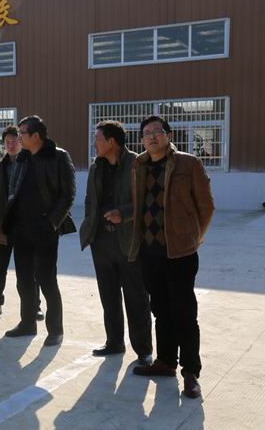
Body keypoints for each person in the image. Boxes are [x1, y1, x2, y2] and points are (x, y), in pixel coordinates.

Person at [130, 116, 214, 399]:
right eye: (147, 133)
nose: (152, 136)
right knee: (161, 310)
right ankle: (166, 362)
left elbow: (206, 206)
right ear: (142, 139)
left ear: (168, 135)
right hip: (149, 252)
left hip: (180, 253)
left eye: (157, 131)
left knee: (184, 313)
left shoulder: (188, 164)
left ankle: (191, 372)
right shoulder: (139, 165)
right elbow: (138, 205)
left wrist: (192, 237)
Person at [80, 120, 152, 364]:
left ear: (112, 141)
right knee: (108, 295)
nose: (94, 143)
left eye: (98, 139)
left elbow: (145, 200)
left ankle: (143, 350)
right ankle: (114, 342)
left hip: (129, 239)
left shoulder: (137, 164)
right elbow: (90, 200)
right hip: (101, 240)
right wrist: (90, 225)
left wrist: (124, 214)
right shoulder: (95, 167)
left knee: (136, 296)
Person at [2, 115, 76, 347]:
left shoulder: (59, 156)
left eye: (22, 133)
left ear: (36, 135)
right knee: (24, 280)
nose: (18, 138)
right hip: (21, 229)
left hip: (45, 229)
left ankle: (55, 330)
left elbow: (68, 195)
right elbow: (14, 190)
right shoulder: (22, 157)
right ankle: (27, 323)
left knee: (46, 279)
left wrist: (52, 223)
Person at [0, 125, 44, 321]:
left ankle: (34, 305)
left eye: (15, 141)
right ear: (3, 144)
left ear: (21, 142)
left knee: (29, 269)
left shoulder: (30, 165)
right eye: (7, 142)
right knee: (0, 267)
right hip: (2, 225)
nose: (11, 145)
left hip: (25, 227)